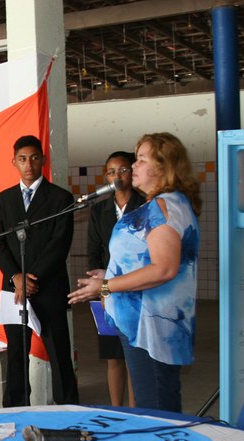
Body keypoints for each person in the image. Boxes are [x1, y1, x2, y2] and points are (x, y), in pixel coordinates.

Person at [69, 132, 200, 412]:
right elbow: (149, 258)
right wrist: (112, 271)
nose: (135, 166)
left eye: (141, 159)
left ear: (164, 168)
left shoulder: (162, 207)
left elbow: (164, 268)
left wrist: (105, 286)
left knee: (154, 410)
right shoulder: (168, 203)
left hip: (151, 327)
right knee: (156, 403)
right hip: (145, 324)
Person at [0, 135, 78, 407]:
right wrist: (15, 277)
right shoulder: (5, 198)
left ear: (43, 160)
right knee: (16, 352)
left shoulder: (60, 198)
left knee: (59, 352)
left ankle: (68, 408)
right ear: (14, 162)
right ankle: (15, 409)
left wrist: (31, 277)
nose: (29, 164)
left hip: (48, 287)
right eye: (22, 159)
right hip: (14, 290)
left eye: (34, 158)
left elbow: (59, 244)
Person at [87, 151, 145, 407]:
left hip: (136, 290)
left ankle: (134, 409)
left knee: (135, 356)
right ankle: (116, 409)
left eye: (123, 170)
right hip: (108, 290)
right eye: (111, 172)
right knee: (114, 356)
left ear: (132, 172)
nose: (117, 176)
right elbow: (93, 253)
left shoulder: (145, 205)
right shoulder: (99, 210)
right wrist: (101, 289)